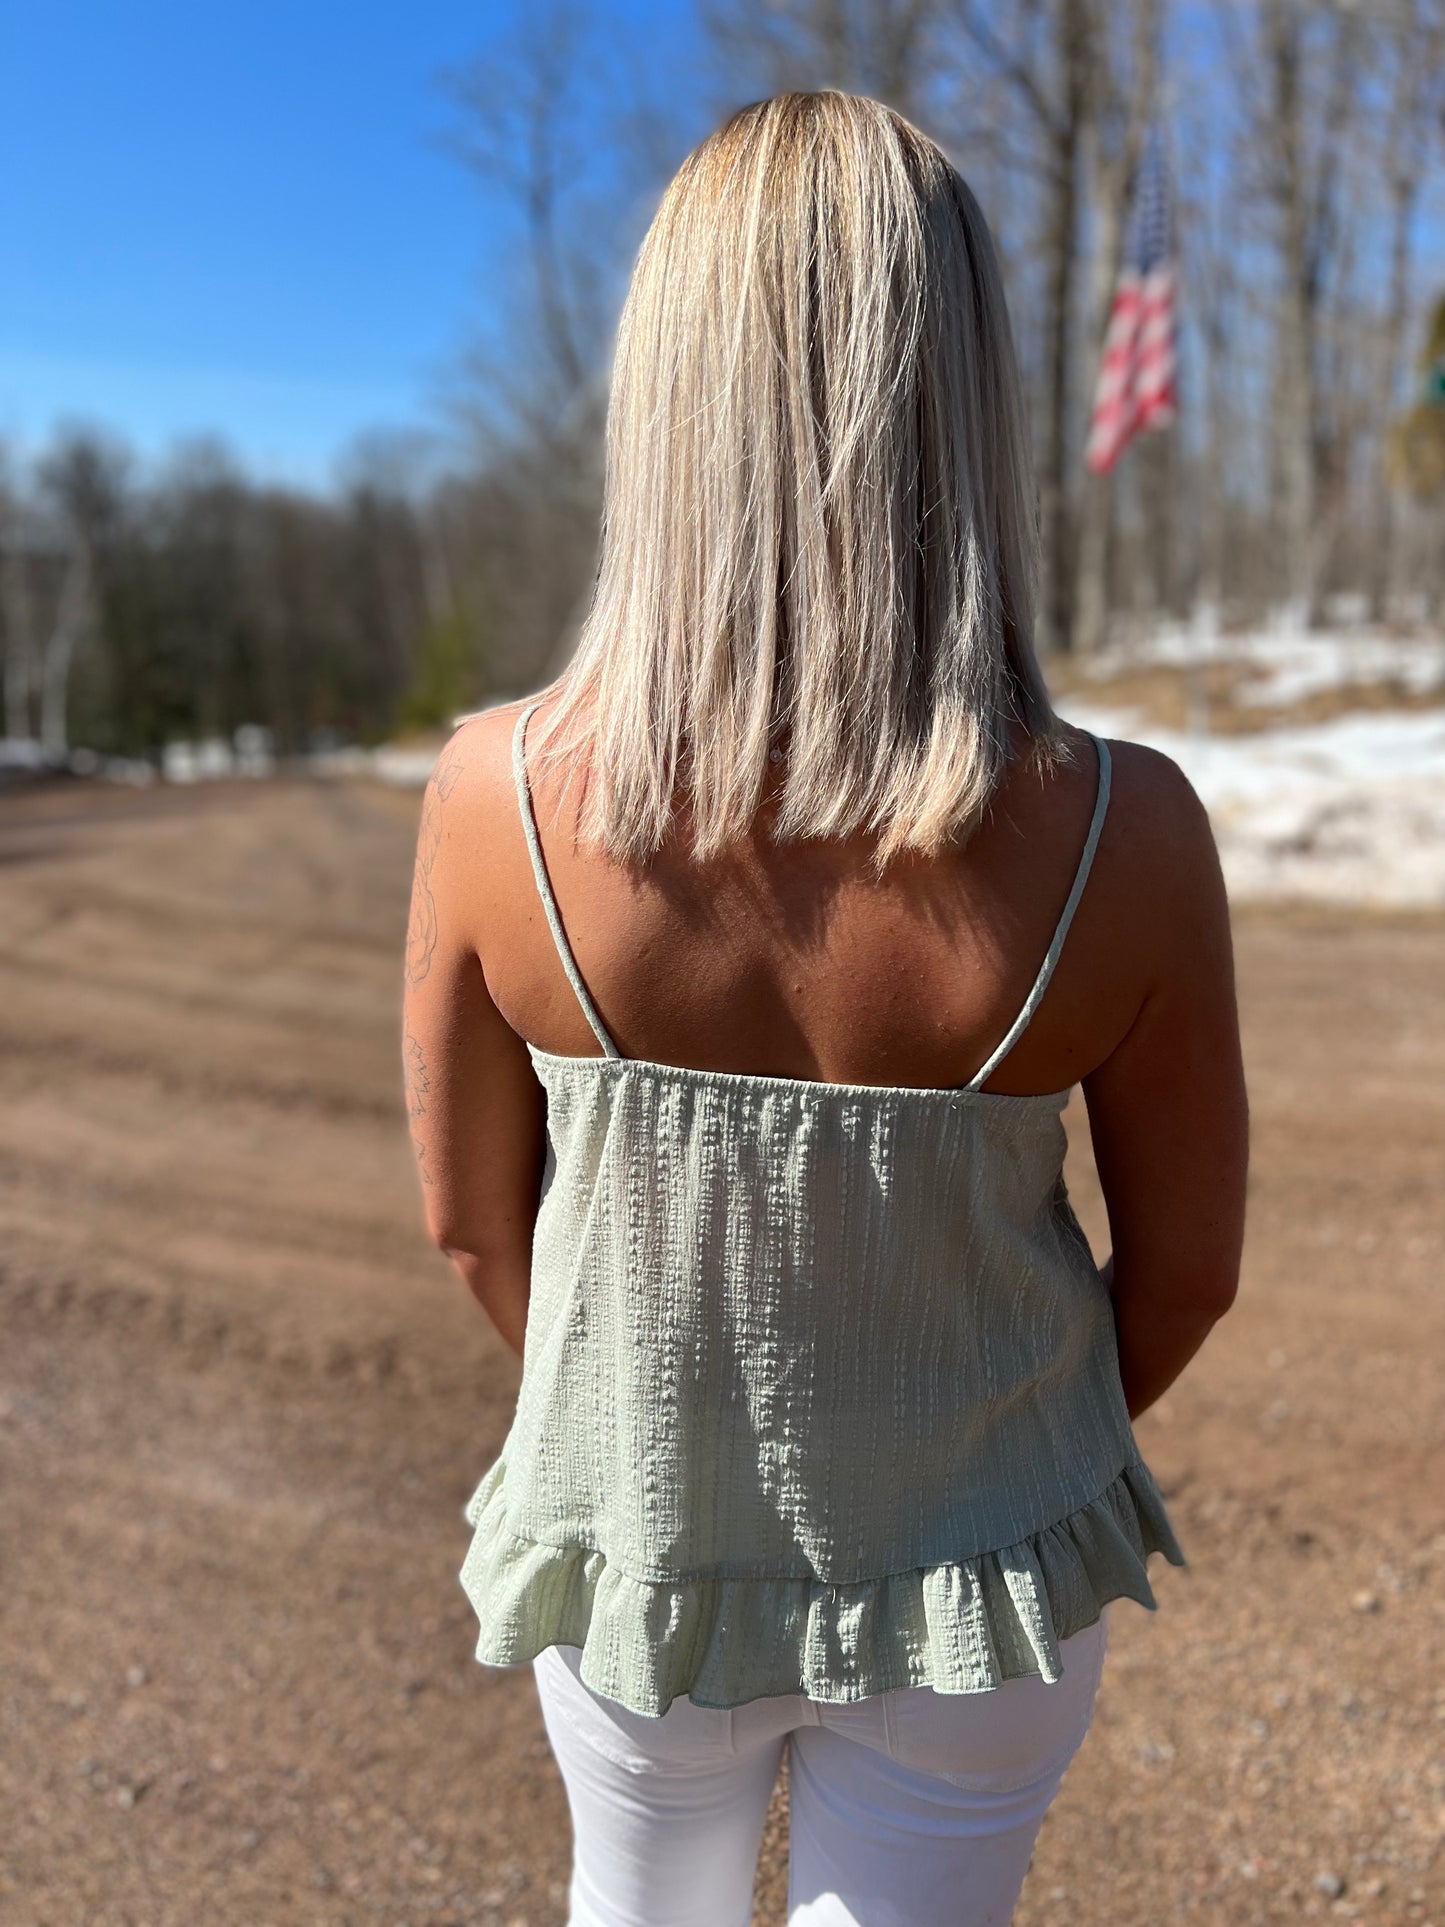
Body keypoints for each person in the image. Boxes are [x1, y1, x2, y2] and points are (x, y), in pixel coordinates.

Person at [402, 89, 1248, 1927]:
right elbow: (1182, 1272)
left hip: (643, 1569)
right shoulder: (1127, 828)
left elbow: (476, 1228)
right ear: (962, 389)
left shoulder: (492, 797)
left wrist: (664, 1444)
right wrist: (962, 1462)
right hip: (980, 1593)